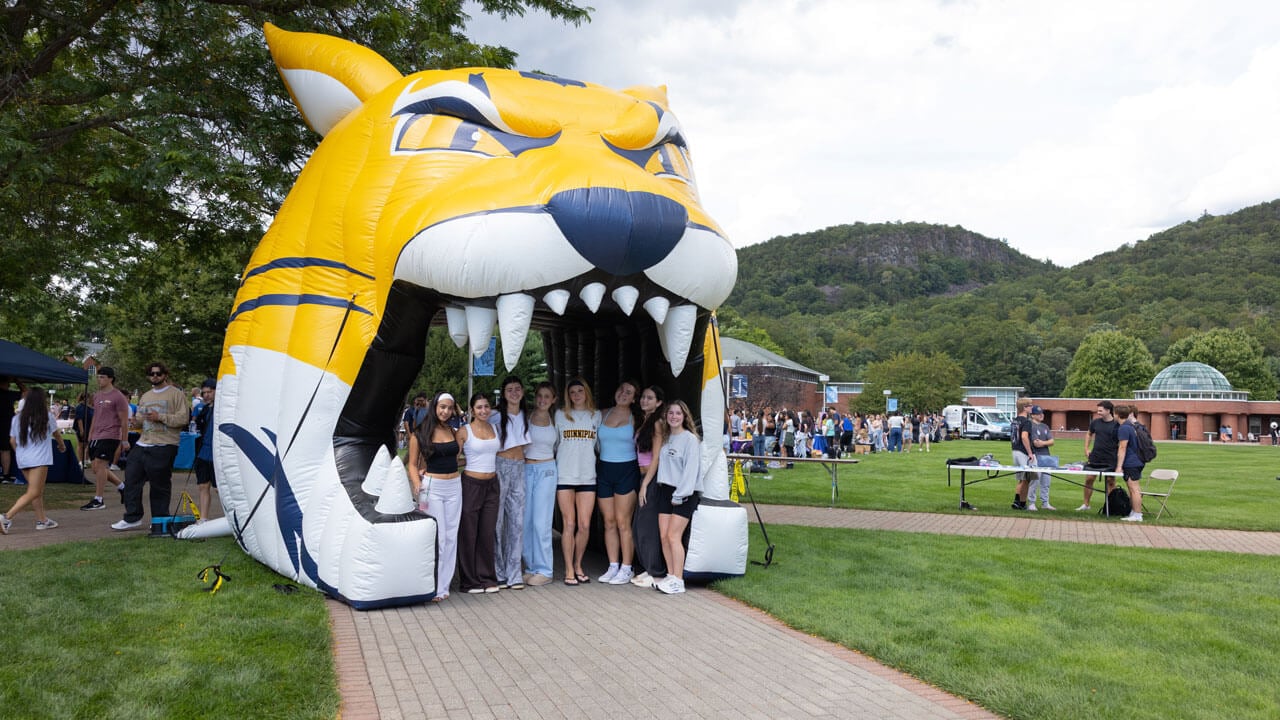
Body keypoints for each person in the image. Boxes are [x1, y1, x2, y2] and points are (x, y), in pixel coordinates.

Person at [112, 362, 189, 533]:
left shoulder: (176, 394)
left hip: (165, 444)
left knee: (159, 484)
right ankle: (132, 517)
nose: (155, 376)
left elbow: (183, 419)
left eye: (158, 373)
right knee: (131, 479)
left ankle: (159, 520)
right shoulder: (146, 396)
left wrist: (160, 417)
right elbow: (141, 418)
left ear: (165, 375)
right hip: (143, 442)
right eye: (151, 374)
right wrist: (135, 421)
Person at [407, 392, 464, 601]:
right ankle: (432, 585)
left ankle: (443, 586)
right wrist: (417, 484)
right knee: (437, 537)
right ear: (434, 407)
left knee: (451, 537)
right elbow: (412, 464)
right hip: (433, 488)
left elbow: (455, 458)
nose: (446, 411)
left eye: (449, 408)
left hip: (454, 486)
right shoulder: (420, 433)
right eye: (442, 407)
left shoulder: (452, 430)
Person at [654, 400, 702, 595]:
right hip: (665, 490)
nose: (674, 416)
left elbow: (691, 471)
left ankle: (678, 580)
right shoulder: (666, 438)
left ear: (684, 416)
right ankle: (671, 575)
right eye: (671, 413)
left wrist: (680, 495)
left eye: (678, 413)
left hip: (684, 493)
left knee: (674, 536)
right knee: (664, 537)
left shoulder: (690, 440)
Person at [554, 378, 600, 585]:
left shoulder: (596, 416)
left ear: (586, 392)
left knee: (584, 524)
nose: (576, 395)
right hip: (565, 475)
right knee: (569, 523)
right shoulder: (560, 415)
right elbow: (554, 444)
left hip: (587, 475)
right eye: (572, 392)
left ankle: (579, 564)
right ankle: (569, 569)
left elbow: (599, 446)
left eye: (580, 391)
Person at [1, 386, 66, 533]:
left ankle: (42, 520)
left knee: (36, 491)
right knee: (34, 491)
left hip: (23, 459)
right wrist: (61, 446)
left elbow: (12, 441)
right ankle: (6, 517)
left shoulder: (17, 418)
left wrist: (20, 453)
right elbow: (56, 434)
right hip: (40, 459)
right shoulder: (46, 416)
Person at [455, 392, 501, 594]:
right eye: (479, 407)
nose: (484, 410)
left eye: (486, 406)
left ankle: (487, 578)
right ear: (472, 410)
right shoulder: (464, 431)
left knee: (487, 532)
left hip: (492, 485)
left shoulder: (495, 428)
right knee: (468, 533)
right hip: (471, 485)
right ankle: (469, 581)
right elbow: (454, 459)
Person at [596, 379, 641, 585]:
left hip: (626, 471)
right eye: (621, 389)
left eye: (629, 392)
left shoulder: (636, 418)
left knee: (623, 521)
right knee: (609, 521)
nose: (623, 393)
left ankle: (627, 567)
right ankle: (613, 565)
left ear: (634, 399)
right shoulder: (602, 414)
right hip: (605, 470)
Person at [490, 376, 530, 590]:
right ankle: (498, 571)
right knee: (497, 522)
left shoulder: (526, 415)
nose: (514, 393)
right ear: (504, 394)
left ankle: (514, 573)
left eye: (517, 389)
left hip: (519, 468)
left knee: (516, 522)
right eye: (509, 390)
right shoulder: (495, 416)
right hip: (500, 466)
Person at [521, 382, 558, 587]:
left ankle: (545, 570)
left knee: (541, 522)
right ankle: (530, 567)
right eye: (540, 396)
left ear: (553, 400)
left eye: (547, 396)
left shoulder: (557, 419)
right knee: (526, 521)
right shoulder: (526, 418)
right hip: (527, 469)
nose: (542, 400)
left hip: (547, 470)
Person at [632, 385, 667, 588]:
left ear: (659, 402)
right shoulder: (645, 421)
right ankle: (648, 567)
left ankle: (656, 572)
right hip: (643, 476)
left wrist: (645, 484)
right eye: (643, 397)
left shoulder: (657, 424)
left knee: (647, 527)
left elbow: (656, 457)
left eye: (650, 398)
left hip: (651, 479)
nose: (645, 400)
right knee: (639, 526)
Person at [82, 367, 130, 511]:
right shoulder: (97, 396)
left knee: (100, 465)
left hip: (111, 435)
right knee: (96, 468)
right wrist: (90, 435)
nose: (99, 380)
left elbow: (124, 420)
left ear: (110, 379)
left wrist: (125, 440)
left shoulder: (118, 397)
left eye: (102, 377)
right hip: (97, 435)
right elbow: (96, 417)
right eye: (98, 377)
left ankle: (99, 499)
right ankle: (123, 487)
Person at [1077, 400, 1119, 512]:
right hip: (1095, 456)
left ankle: (1110, 507)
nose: (1098, 412)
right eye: (1098, 410)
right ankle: (1086, 504)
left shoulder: (1117, 424)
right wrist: (1086, 448)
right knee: (1089, 479)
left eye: (1100, 410)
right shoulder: (1095, 422)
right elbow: (1089, 433)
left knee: (1110, 481)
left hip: (1111, 457)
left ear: (1108, 410)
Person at [192, 378, 219, 521]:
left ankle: (233, 518)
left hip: (217, 453)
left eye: (210, 392)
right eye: (204, 393)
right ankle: (203, 518)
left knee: (218, 488)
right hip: (203, 452)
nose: (206, 395)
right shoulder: (204, 409)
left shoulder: (222, 409)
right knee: (203, 486)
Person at [1115, 405, 1145, 522]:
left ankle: (1137, 514)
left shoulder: (1124, 428)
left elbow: (1122, 447)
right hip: (1137, 460)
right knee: (1132, 488)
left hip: (1131, 462)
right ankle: (1134, 511)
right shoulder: (1131, 426)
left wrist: (1119, 466)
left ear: (1117, 414)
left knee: (1134, 488)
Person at [1009, 398, 1036, 510]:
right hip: (1023, 452)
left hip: (1015, 450)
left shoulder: (1014, 420)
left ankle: (1017, 501)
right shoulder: (1026, 422)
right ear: (1025, 408)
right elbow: (1024, 437)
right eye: (1030, 405)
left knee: (1021, 478)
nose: (1032, 407)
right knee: (1027, 478)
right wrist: (1030, 453)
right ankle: (1021, 503)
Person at [1028, 405, 1056, 511]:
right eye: (1038, 413)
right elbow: (1036, 443)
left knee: (1046, 482)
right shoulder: (1030, 426)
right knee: (1034, 481)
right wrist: (1046, 442)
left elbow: (1052, 442)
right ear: (1032, 415)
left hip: (1046, 456)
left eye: (1042, 413)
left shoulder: (1045, 426)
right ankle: (1031, 503)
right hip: (1035, 456)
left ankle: (1045, 503)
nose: (1041, 415)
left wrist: (1043, 443)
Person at [0, 376, 25, 482]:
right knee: (5, 449)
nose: (9, 385)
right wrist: (18, 381)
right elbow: (26, 393)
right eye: (7, 382)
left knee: (4, 449)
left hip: (6, 423)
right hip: (5, 424)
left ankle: (5, 475)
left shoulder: (8, 393)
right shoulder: (8, 394)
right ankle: (5, 475)